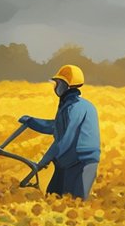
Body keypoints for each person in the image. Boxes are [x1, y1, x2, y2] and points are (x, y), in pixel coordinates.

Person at [19, 64, 101, 199]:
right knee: (53, 197)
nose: (55, 87)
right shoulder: (69, 105)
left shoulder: (76, 108)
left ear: (66, 85)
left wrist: (44, 161)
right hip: (67, 161)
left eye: (57, 83)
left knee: (74, 203)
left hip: (81, 163)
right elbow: (56, 127)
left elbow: (65, 139)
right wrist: (32, 121)